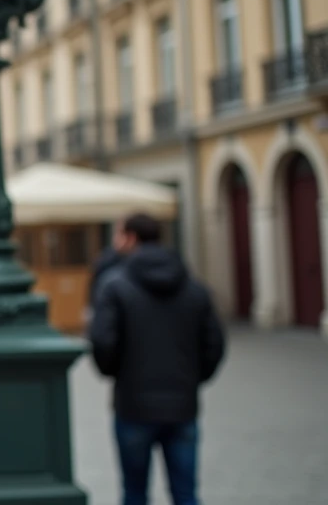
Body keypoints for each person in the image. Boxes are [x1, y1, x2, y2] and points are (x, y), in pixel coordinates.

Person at [88, 214, 226, 505]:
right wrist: (193, 377)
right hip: (182, 405)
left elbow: (102, 341)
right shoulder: (194, 287)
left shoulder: (115, 285)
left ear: (131, 238)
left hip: (133, 404)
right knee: (186, 494)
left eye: (118, 234)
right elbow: (214, 343)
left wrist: (116, 372)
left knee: (135, 492)